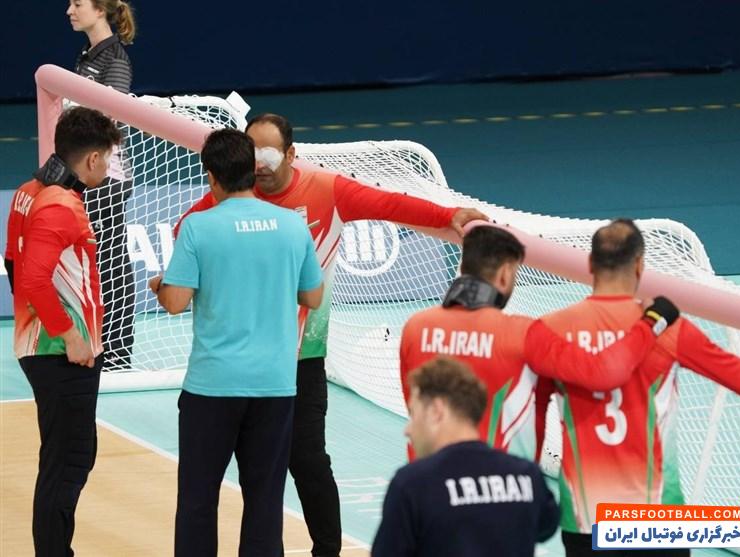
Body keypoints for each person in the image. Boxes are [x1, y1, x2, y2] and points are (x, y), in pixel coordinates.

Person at [176, 113, 487, 556]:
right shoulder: (231, 199)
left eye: (269, 153)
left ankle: (327, 550)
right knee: (244, 480)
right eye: (252, 153)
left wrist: (449, 214)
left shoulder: (327, 190)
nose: (260, 163)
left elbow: (390, 205)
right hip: (246, 368)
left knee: (307, 460)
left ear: (291, 154)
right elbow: (185, 231)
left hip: (302, 361)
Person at [535, 218, 740, 557]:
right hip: (657, 521)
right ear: (640, 266)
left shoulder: (551, 329)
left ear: (590, 264)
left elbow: (534, 417)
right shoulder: (670, 330)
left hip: (585, 520)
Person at [148, 129, 324, 557]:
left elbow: (175, 302)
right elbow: (313, 296)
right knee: (265, 501)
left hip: (213, 386)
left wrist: (159, 285)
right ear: (253, 169)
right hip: (275, 385)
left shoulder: (198, 227)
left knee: (198, 499)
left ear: (211, 176)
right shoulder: (292, 225)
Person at [400, 225, 680, 460]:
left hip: (424, 485)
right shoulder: (524, 334)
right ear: (505, 273)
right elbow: (605, 372)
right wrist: (653, 321)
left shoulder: (416, 327)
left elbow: (415, 402)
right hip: (500, 491)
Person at [5, 107, 121, 556]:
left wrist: (32, 324)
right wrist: (69, 335)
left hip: (41, 347)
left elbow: (14, 264)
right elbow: (34, 280)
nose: (109, 166)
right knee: (68, 462)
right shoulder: (62, 205)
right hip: (61, 354)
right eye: (108, 158)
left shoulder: (28, 192)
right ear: (92, 159)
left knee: (67, 456)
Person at [371, 357, 559, 557]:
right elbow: (546, 525)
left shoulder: (412, 484)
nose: (408, 430)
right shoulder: (527, 475)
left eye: (413, 414)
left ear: (436, 411)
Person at [68, 0, 137, 370]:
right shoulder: (87, 55)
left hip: (108, 179)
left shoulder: (116, 61)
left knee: (111, 264)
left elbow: (109, 120)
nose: (69, 10)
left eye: (77, 3)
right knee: (93, 262)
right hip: (85, 173)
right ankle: (94, 341)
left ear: (99, 11)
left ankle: (118, 352)